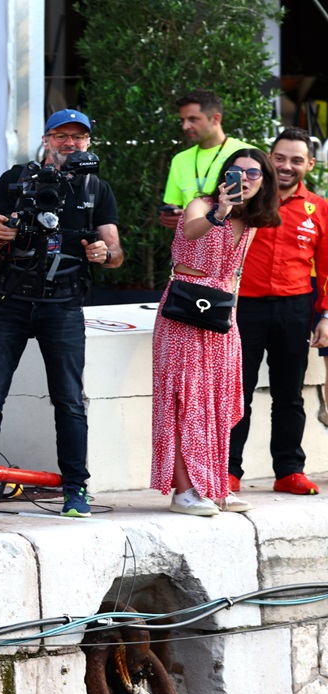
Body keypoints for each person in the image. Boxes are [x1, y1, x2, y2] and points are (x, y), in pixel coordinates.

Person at [0, 109, 122, 517]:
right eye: (60, 135)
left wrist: (102, 252)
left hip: (64, 304)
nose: (69, 143)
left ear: (88, 143)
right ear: (46, 139)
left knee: (70, 400)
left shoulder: (96, 188)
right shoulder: (16, 179)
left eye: (78, 137)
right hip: (9, 300)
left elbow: (116, 253)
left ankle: (76, 489)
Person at [153, 149, 281, 516]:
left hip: (221, 316)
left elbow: (235, 273)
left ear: (264, 181)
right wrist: (219, 212)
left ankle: (212, 485)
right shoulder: (201, 205)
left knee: (218, 403)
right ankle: (183, 491)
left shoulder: (253, 222)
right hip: (184, 309)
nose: (243, 179)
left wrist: (233, 320)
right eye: (235, 171)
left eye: (253, 173)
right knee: (182, 401)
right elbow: (192, 232)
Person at [229, 129, 326, 497]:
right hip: (244, 309)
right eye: (280, 158)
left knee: (290, 394)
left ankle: (289, 470)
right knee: (238, 392)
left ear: (309, 165)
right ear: (269, 158)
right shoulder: (245, 202)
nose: (287, 166)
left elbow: (327, 267)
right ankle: (229, 470)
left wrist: (326, 316)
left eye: (296, 160)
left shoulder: (318, 208)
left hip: (294, 308)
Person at [160, 90, 255, 229]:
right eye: (182, 120)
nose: (185, 126)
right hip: (192, 244)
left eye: (193, 119)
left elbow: (262, 204)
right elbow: (173, 203)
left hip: (233, 241)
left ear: (216, 119)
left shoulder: (248, 155)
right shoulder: (180, 160)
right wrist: (172, 214)